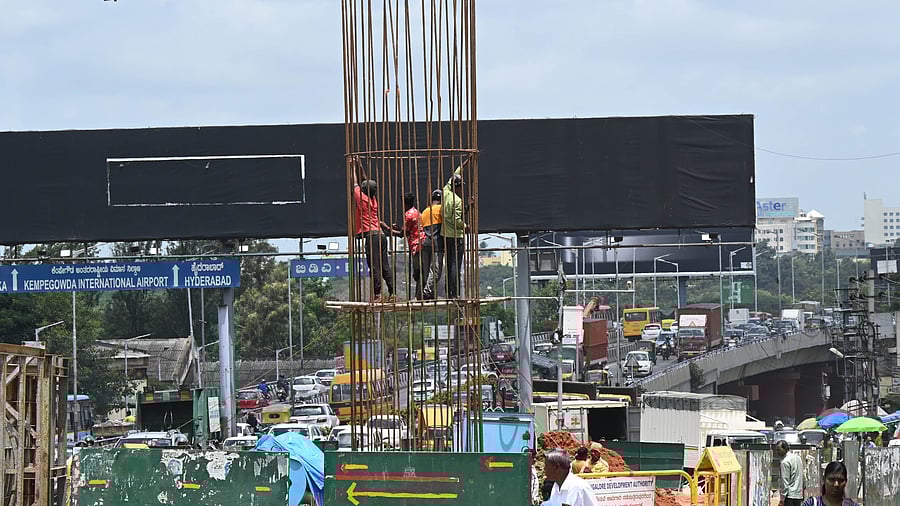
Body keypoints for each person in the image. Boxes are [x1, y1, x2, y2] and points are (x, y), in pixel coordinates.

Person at [351, 161, 395, 302]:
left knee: (374, 266)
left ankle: (377, 295)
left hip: (372, 237)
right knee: (384, 265)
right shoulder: (373, 199)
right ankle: (392, 292)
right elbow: (366, 181)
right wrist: (360, 165)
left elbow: (355, 183)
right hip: (381, 235)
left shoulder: (362, 198)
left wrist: (353, 167)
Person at [390, 193, 426, 300]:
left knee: (417, 272)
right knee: (421, 271)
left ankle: (419, 296)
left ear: (404, 203)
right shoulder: (417, 212)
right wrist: (399, 228)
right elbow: (408, 230)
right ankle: (420, 295)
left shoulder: (408, 215)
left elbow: (402, 234)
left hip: (416, 246)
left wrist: (387, 228)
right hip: (422, 243)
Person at [441, 165, 467, 299]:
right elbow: (457, 221)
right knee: (455, 265)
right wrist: (466, 226)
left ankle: (448, 291)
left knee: (448, 263)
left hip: (445, 235)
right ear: (458, 187)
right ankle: (454, 292)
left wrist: (462, 166)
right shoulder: (457, 201)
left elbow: (452, 178)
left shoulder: (445, 193)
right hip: (456, 236)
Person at [421, 189, 443, 300]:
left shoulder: (425, 211)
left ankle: (429, 292)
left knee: (427, 271)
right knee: (436, 271)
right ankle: (427, 292)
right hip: (437, 244)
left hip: (425, 243)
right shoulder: (441, 210)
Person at [775, 440, 804, 506]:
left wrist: (782, 499)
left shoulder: (785, 462)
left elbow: (784, 481)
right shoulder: (798, 458)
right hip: (798, 495)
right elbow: (802, 477)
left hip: (789, 496)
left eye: (779, 450)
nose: (777, 452)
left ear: (785, 448)